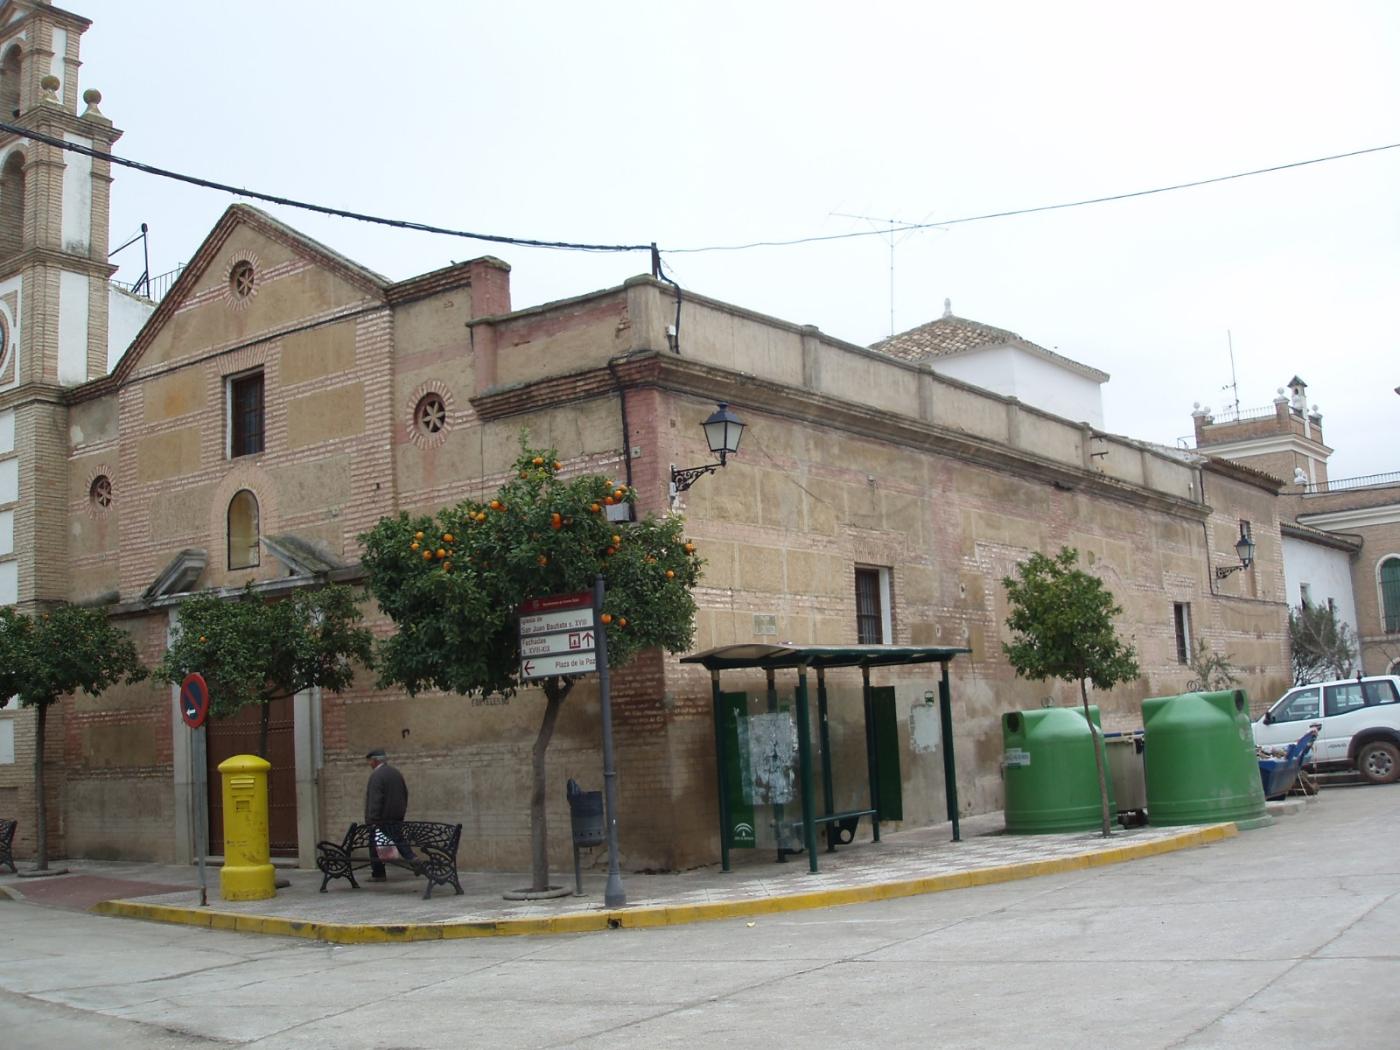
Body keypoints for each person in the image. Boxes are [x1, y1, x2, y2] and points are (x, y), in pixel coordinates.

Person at [364, 748, 415, 881]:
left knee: (374, 845)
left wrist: (372, 818)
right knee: (398, 840)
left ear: (375, 761)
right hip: (396, 817)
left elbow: (376, 799)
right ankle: (413, 860)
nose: (369, 764)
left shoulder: (377, 776)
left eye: (370, 761)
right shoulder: (395, 773)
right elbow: (405, 794)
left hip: (381, 819)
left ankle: (378, 873)